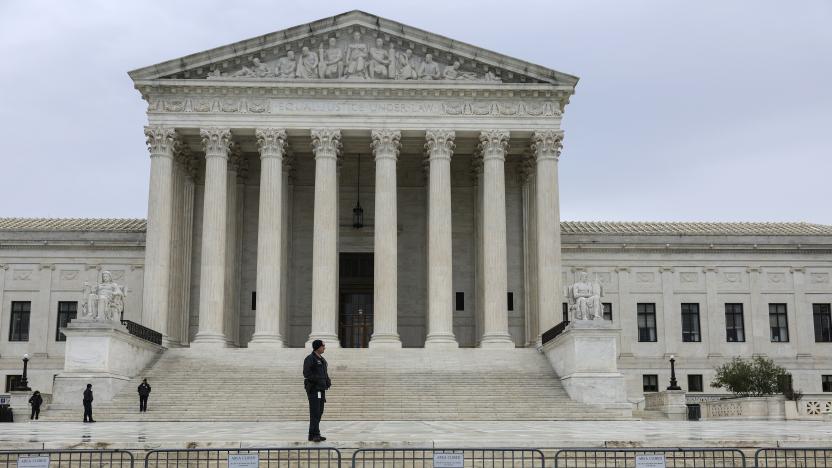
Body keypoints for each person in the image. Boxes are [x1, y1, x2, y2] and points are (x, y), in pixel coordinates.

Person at [303, 340, 331, 442]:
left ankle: (314, 434)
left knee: (319, 411)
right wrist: (318, 380)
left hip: (321, 389)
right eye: (323, 346)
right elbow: (307, 373)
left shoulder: (322, 359)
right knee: (315, 412)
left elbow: (324, 373)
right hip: (314, 389)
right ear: (318, 347)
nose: (324, 347)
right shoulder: (310, 359)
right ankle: (314, 434)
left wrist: (327, 381)